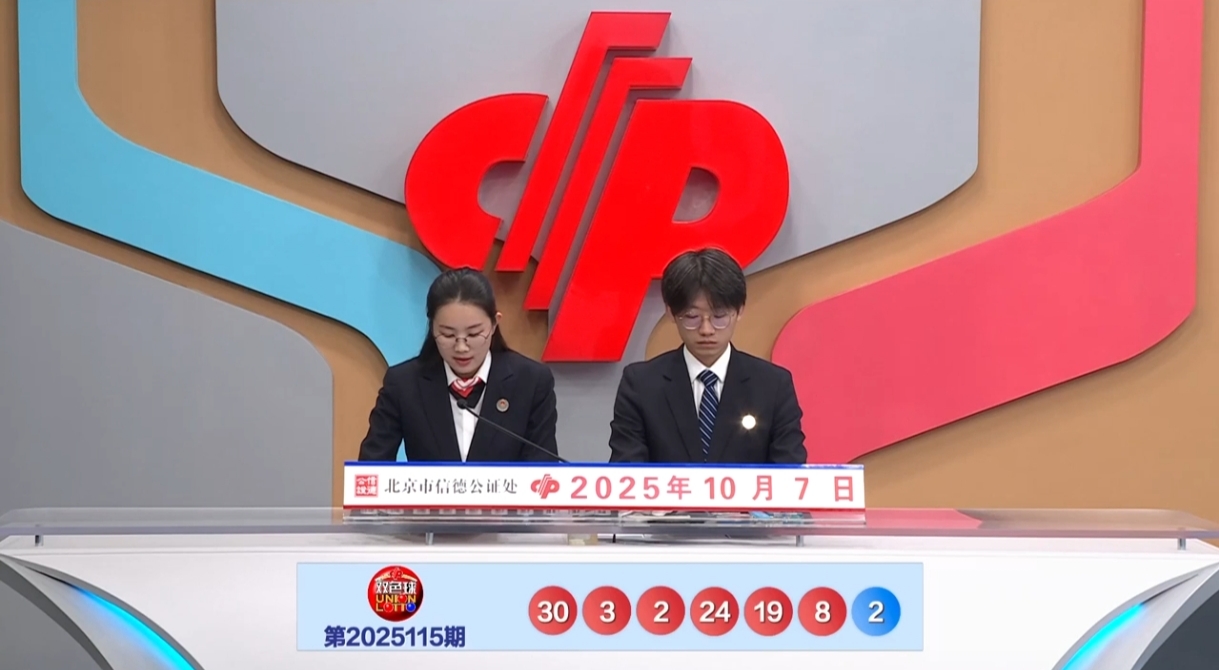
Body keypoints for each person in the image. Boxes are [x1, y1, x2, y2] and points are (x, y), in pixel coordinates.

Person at [608, 248, 807, 464]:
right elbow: (627, 470)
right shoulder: (641, 384)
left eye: (719, 316)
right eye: (692, 316)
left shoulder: (773, 385)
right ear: (671, 312)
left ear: (739, 310)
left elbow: (789, 470)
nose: (706, 329)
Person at [358, 268, 560, 462]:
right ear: (432, 327)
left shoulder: (531, 382)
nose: (461, 347)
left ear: (494, 324)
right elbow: (372, 464)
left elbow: (543, 468)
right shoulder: (403, 384)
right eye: (448, 335)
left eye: (473, 334)